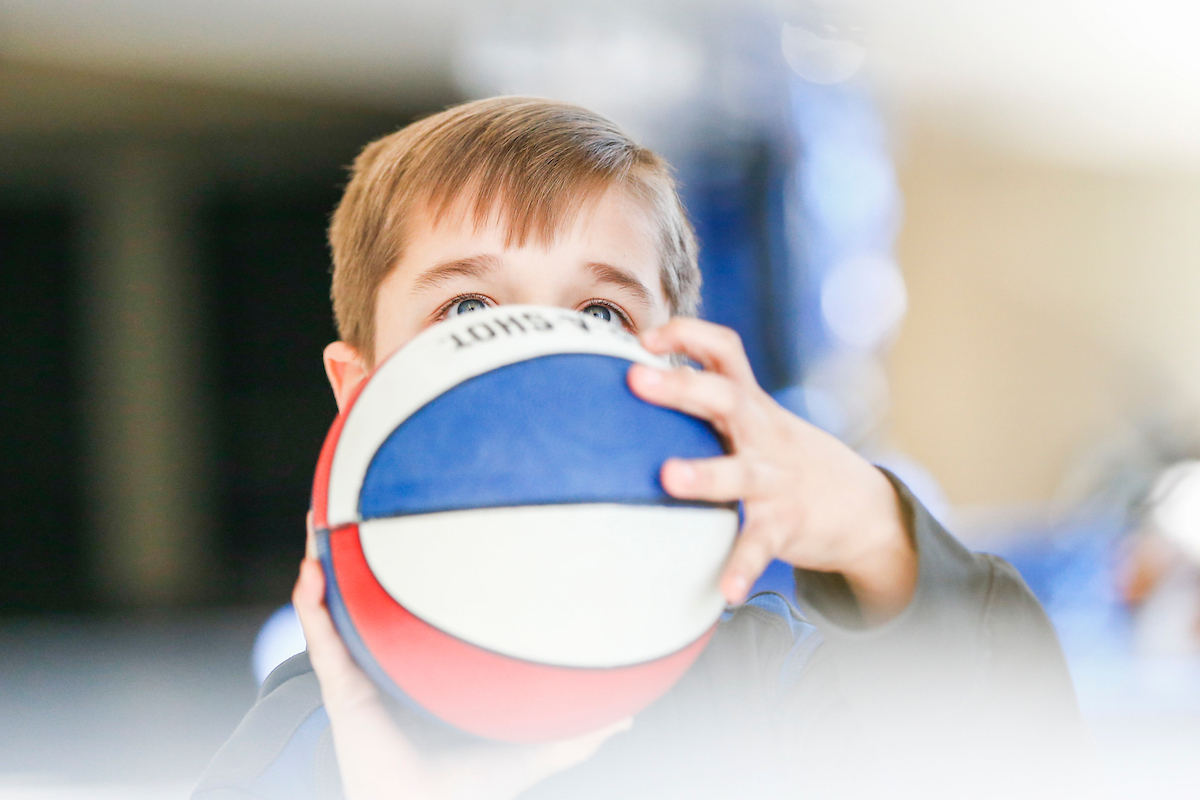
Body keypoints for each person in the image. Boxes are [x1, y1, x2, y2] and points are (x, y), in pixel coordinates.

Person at [194, 97, 1084, 800]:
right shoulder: (307, 741)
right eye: (467, 313)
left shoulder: (767, 684)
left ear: (686, 375)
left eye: (600, 315)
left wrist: (869, 528)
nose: (536, 364)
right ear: (360, 394)